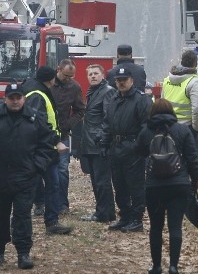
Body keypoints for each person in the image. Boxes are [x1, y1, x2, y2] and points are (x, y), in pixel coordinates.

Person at [0, 82, 59, 269]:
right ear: (5, 99)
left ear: (23, 98)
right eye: (12, 98)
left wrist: (37, 167)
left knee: (22, 217)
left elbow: (46, 145)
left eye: (18, 97)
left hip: (26, 177)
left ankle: (23, 253)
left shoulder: (35, 119)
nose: (15, 101)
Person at [136, 98, 198, 274]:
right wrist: (195, 180)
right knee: (175, 226)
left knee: (156, 227)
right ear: (171, 111)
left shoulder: (146, 131)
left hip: (154, 186)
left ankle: (156, 266)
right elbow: (193, 159)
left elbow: (139, 152)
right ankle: (173, 266)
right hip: (179, 185)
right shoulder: (182, 130)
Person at [22, 66, 72, 235]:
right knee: (51, 184)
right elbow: (40, 122)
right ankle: (50, 222)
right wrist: (56, 141)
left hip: (38, 147)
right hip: (43, 149)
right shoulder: (38, 95)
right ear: (50, 80)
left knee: (45, 184)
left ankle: (44, 221)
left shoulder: (32, 90)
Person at [103, 66, 152, 233]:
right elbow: (108, 123)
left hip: (133, 148)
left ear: (132, 81)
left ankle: (137, 219)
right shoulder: (114, 99)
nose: (121, 83)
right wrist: (104, 142)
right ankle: (124, 216)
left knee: (135, 186)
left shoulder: (141, 100)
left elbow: (147, 126)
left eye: (124, 80)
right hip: (115, 148)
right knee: (119, 185)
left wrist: (138, 146)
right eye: (118, 80)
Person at [79, 64, 117, 223]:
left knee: (102, 181)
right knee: (96, 180)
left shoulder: (107, 92)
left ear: (103, 75)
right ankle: (103, 212)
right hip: (90, 142)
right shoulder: (93, 92)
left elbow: (109, 118)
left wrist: (101, 138)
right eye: (90, 74)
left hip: (99, 144)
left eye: (96, 73)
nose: (93, 76)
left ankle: (104, 213)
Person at [162, 49, 198, 170]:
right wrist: (196, 128)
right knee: (191, 159)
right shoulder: (194, 81)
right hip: (187, 127)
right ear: (195, 64)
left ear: (181, 61)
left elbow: (162, 103)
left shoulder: (167, 80)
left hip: (169, 126)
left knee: (172, 158)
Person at [51, 59, 85, 214]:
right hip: (46, 133)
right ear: (58, 69)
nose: (68, 79)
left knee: (62, 170)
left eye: (71, 76)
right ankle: (41, 203)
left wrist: (69, 124)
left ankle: (63, 204)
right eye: (66, 76)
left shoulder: (74, 87)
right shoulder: (48, 84)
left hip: (63, 134)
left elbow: (80, 110)